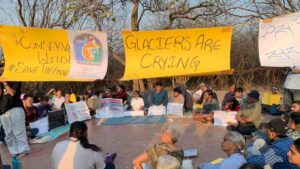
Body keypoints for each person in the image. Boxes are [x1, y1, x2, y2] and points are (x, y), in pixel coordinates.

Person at [52, 121, 116, 169]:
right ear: (85, 133)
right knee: (110, 166)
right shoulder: (93, 150)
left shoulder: (57, 146)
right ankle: (109, 159)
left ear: (70, 133)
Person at [0, 81, 29, 156]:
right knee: (8, 134)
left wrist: (4, 83)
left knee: (19, 131)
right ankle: (14, 152)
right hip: (3, 111)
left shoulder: (15, 79)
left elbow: (12, 93)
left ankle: (23, 150)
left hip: (15, 108)